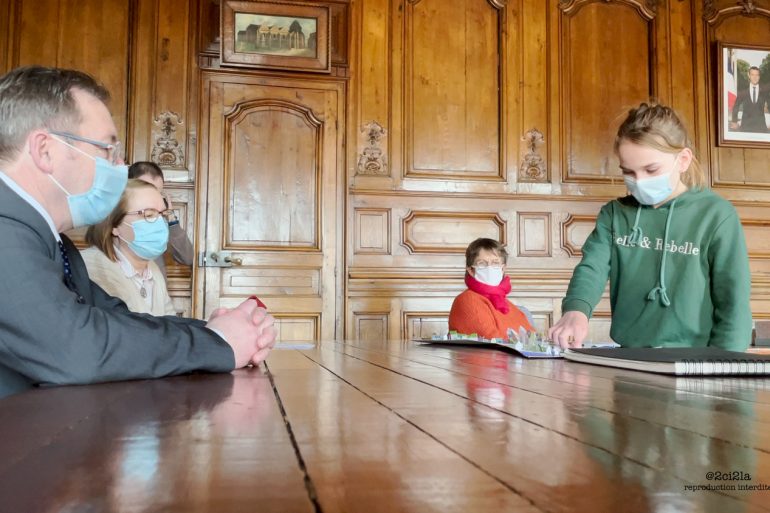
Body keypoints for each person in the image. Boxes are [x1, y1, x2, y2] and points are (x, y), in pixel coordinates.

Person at [0, 65, 276, 398]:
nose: (119, 167)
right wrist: (217, 344)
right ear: (45, 150)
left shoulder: (52, 240)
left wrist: (218, 331)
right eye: (106, 149)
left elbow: (117, 320)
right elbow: (77, 349)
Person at [549, 102, 751, 350]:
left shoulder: (716, 215)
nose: (639, 182)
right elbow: (592, 268)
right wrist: (576, 310)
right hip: (631, 360)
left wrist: (725, 366)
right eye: (629, 172)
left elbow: (733, 299)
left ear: (683, 160)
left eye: (651, 169)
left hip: (696, 362)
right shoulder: (614, 214)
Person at [81, 179, 176, 316]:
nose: (160, 222)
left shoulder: (152, 269)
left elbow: (170, 325)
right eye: (149, 215)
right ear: (115, 225)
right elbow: (127, 330)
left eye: (163, 214)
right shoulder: (92, 266)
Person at [448, 238, 534, 340]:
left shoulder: (509, 305)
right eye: (482, 263)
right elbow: (493, 340)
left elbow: (533, 340)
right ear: (471, 270)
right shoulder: (467, 300)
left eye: (495, 263)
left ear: (503, 268)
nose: (490, 268)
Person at [128, 161, 194, 277]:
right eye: (147, 192)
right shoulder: (116, 221)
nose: (152, 199)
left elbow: (187, 257)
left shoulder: (160, 221)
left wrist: (171, 219)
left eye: (157, 193)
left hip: (156, 291)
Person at [730, 66, 769, 133]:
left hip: (761, 127)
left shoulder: (764, 90)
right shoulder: (743, 90)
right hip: (745, 127)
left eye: (757, 75)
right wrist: (734, 121)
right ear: (749, 75)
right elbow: (736, 106)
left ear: (759, 76)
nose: (755, 77)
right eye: (752, 75)